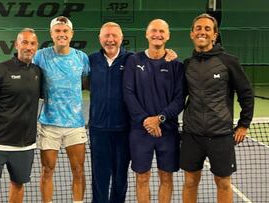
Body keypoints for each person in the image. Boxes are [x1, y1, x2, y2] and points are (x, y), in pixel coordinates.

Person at [180, 13, 254, 203]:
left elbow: (246, 93)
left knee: (223, 183)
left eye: (207, 29)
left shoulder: (229, 62)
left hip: (220, 135)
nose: (202, 32)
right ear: (192, 34)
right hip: (192, 135)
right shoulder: (187, 64)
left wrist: (244, 124)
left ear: (214, 35)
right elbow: (180, 98)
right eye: (198, 28)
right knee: (189, 182)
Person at [0, 28, 41, 203]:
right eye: (24, 42)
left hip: (25, 145)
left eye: (32, 43)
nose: (28, 47)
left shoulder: (37, 72)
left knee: (18, 185)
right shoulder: (0, 70)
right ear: (16, 44)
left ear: (37, 47)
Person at [123, 19, 185, 203]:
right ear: (147, 34)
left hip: (168, 131)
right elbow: (128, 93)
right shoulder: (134, 61)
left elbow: (180, 99)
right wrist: (146, 120)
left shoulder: (177, 65)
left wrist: (160, 118)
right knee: (142, 178)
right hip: (140, 131)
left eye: (162, 31)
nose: (157, 34)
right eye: (154, 31)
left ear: (168, 35)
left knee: (166, 177)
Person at [33, 16, 90, 203]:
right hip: (49, 125)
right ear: (51, 33)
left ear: (71, 34)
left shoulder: (81, 58)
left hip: (75, 125)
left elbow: (85, 81)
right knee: (47, 171)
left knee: (79, 171)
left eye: (65, 31)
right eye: (58, 31)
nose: (62, 34)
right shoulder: (40, 56)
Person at [88, 22, 132, 203]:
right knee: (100, 177)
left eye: (114, 36)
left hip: (124, 129)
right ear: (100, 38)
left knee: (120, 177)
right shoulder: (90, 60)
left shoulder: (132, 60)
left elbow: (155, 60)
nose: (110, 40)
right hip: (98, 130)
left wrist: (170, 54)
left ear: (121, 38)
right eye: (106, 36)